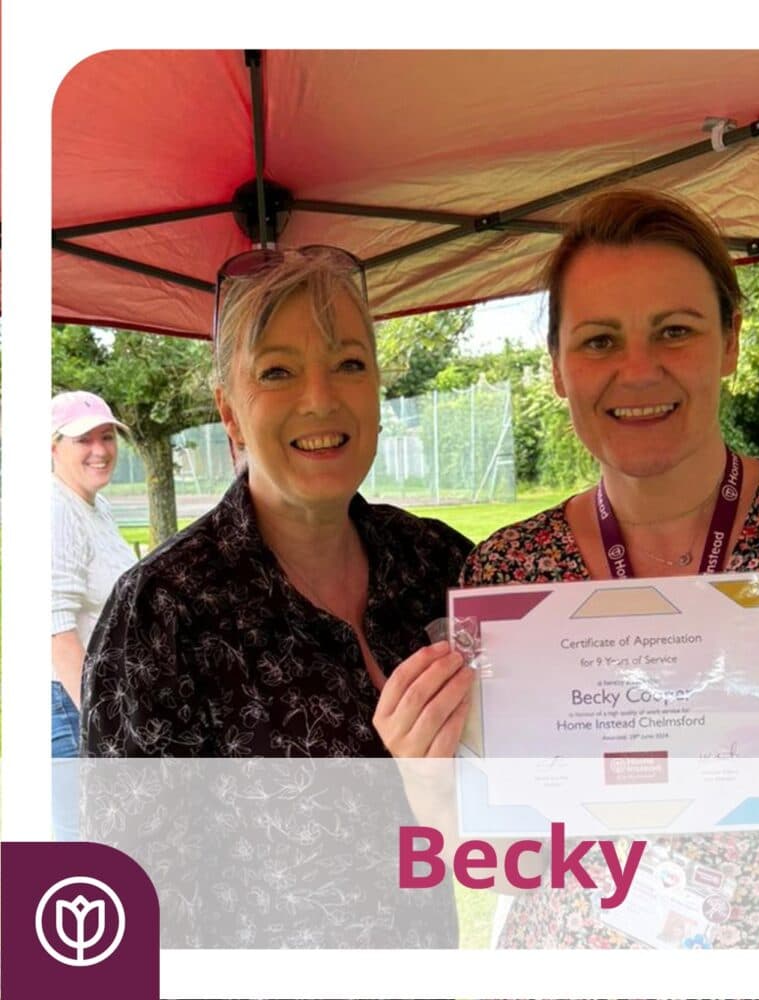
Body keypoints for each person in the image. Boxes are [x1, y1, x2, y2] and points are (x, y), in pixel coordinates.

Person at [458, 189, 759, 948]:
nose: (639, 369)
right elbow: (488, 846)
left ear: (730, 342)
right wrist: (431, 779)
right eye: (597, 341)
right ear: (557, 368)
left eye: (675, 331)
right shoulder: (508, 576)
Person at [79, 246, 473, 946]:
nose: (320, 399)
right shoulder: (164, 611)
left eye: (350, 363)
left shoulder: (438, 565)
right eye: (278, 372)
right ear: (230, 411)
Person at [51, 390, 136, 759]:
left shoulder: (95, 505)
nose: (99, 450)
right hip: (70, 706)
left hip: (101, 695)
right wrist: (102, 721)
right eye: (83, 439)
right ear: (52, 448)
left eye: (107, 436)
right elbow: (55, 632)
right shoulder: (56, 508)